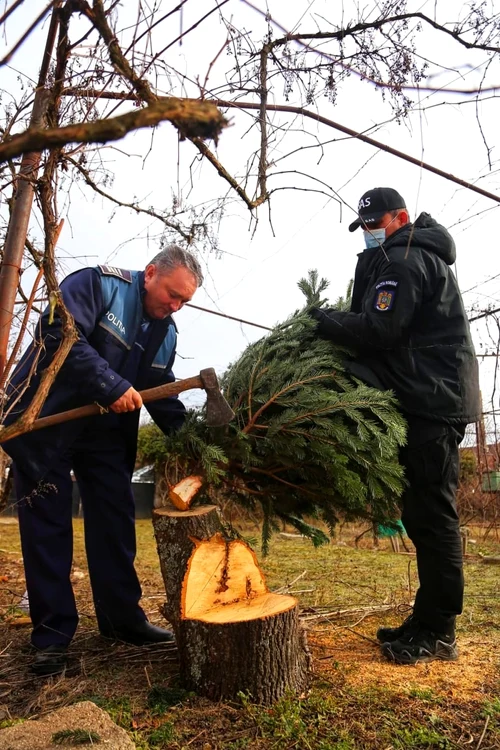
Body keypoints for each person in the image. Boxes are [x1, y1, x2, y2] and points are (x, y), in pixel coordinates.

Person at [3, 244, 203, 676]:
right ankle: (52, 639)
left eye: (184, 301)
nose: (175, 306)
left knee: (115, 523)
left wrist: (195, 443)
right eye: (172, 294)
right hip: (45, 419)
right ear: (150, 273)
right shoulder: (97, 284)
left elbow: (159, 387)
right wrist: (110, 383)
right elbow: (60, 336)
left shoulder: (164, 332)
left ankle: (122, 621)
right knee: (48, 531)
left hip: (105, 436)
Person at [310, 187, 480, 665]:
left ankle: (440, 631)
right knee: (421, 517)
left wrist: (322, 321)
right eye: (363, 225)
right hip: (423, 396)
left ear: (400, 217)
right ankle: (426, 620)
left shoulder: (406, 261)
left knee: (433, 517)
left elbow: (381, 330)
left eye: (375, 223)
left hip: (432, 402)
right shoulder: (398, 256)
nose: (368, 233)